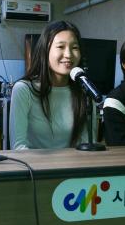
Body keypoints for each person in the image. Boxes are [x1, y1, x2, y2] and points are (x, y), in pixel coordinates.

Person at [9, 20, 95, 149]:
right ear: (45, 50)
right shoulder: (24, 89)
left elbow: (87, 144)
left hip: (74, 166)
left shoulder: (85, 91)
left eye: (75, 48)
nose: (68, 55)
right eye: (61, 47)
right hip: (35, 167)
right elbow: (19, 146)